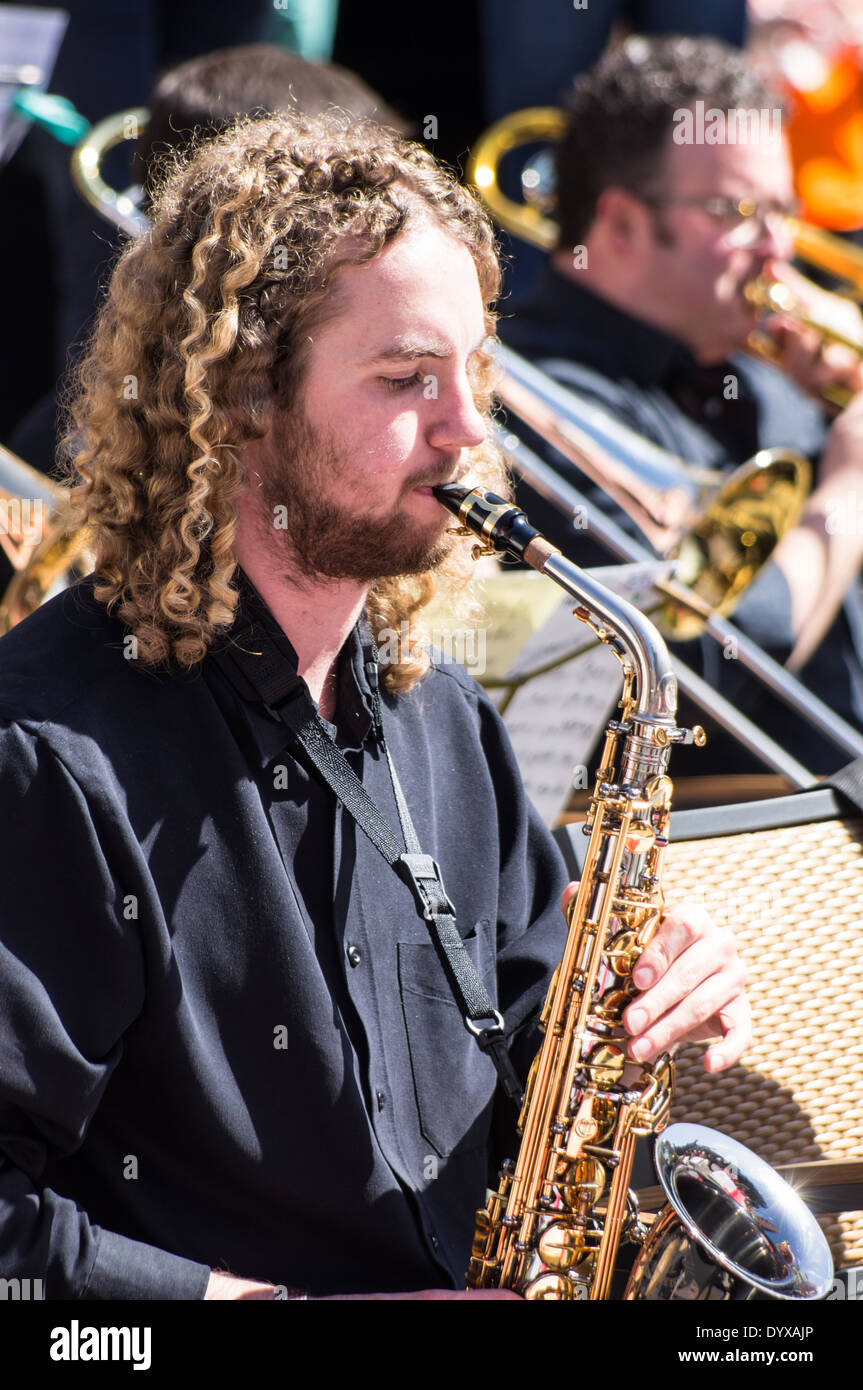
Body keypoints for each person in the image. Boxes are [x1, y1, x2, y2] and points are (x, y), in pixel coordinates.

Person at [0, 112, 749, 1300]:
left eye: (474, 376)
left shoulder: (444, 717)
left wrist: (634, 990)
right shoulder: (45, 756)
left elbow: (517, 1070)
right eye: (406, 380)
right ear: (239, 395)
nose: (467, 433)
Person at [500, 35, 863, 772]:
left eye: (783, 213)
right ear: (622, 221)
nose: (777, 251)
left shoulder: (773, 382)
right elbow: (699, 664)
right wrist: (851, 486)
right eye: (735, 211)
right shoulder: (536, 400)